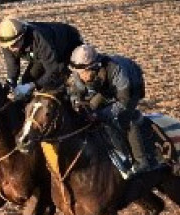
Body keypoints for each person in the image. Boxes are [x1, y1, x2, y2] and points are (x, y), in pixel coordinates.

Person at [66, 43, 163, 179]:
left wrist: (100, 114)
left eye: (83, 74)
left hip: (131, 85)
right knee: (91, 109)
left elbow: (123, 101)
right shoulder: (80, 72)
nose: (80, 77)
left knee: (122, 118)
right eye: (77, 73)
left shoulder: (116, 70)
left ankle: (142, 161)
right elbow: (75, 93)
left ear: (94, 67)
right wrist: (77, 102)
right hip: (107, 88)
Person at [0, 17, 84, 99]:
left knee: (55, 85)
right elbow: (13, 67)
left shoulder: (39, 38)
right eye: (9, 46)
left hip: (67, 46)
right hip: (40, 56)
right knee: (26, 81)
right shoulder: (7, 44)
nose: (12, 49)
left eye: (14, 44)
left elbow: (53, 70)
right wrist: (10, 83)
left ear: (22, 36)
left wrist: (32, 85)